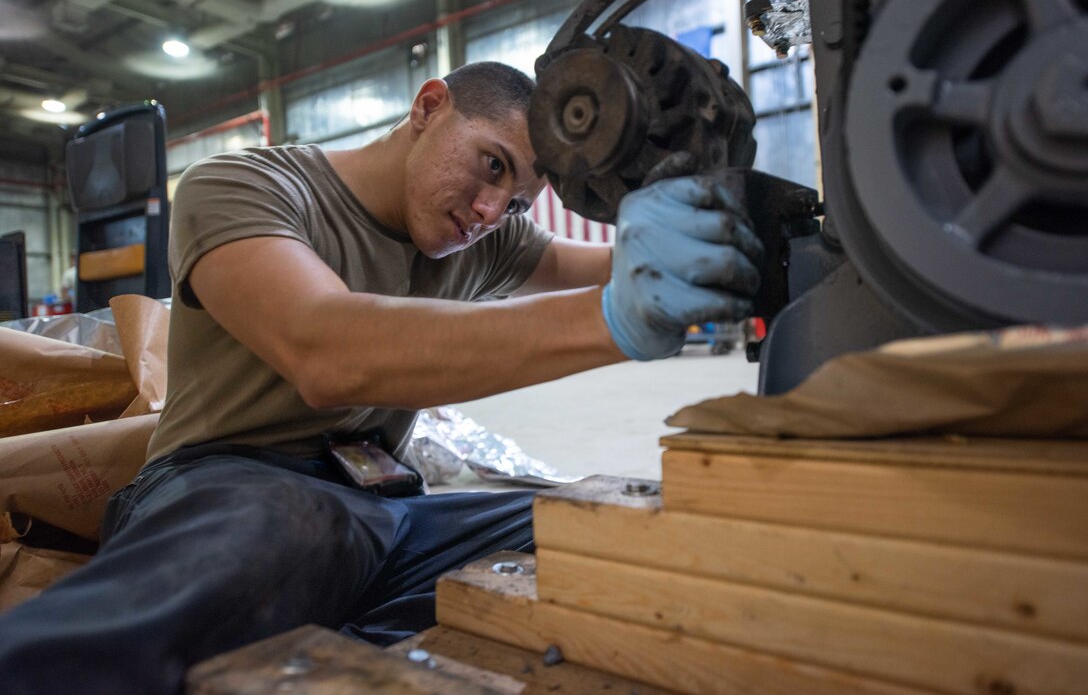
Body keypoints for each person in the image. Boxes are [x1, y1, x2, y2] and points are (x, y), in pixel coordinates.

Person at [0, 61, 762, 694]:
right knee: (273, 535)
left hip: (384, 510)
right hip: (222, 487)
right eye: (490, 164)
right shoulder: (244, 188)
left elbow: (614, 263)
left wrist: (724, 230)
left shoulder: (484, 235)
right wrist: (617, 319)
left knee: (592, 533)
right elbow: (325, 349)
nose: (493, 209)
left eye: (519, 199)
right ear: (429, 107)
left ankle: (326, 645)